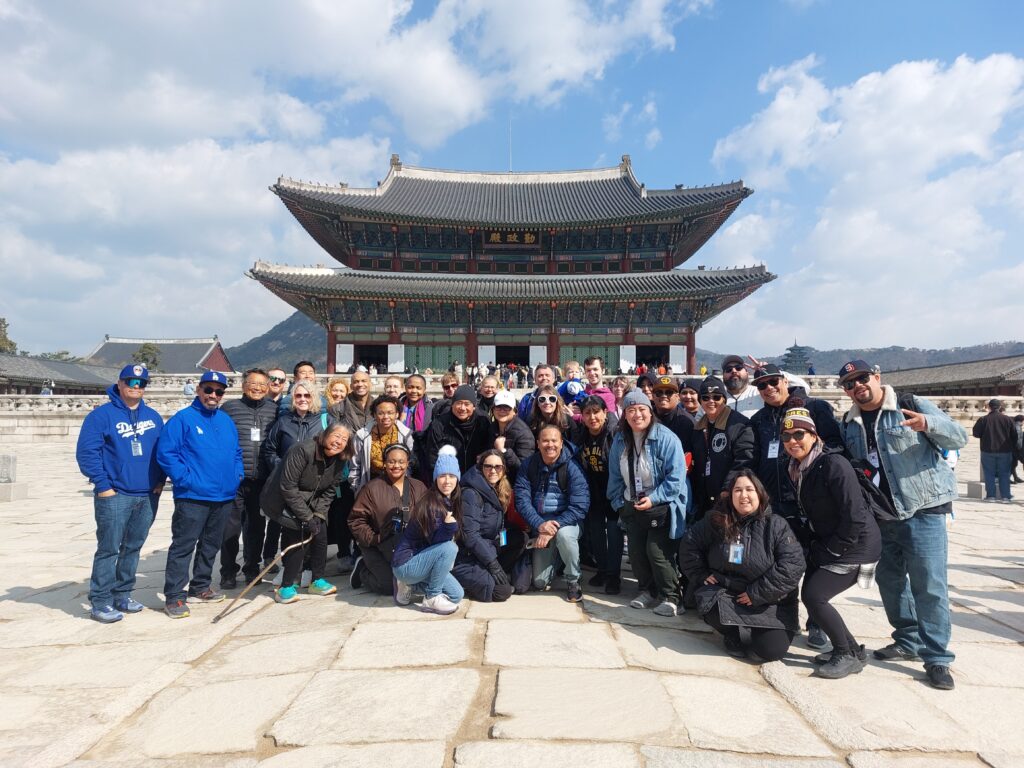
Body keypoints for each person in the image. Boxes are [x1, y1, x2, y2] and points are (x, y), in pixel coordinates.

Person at [837, 359, 967, 690]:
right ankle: (908, 639)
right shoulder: (849, 424)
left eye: (862, 378)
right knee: (889, 581)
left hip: (923, 509)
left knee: (930, 584)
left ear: (877, 376)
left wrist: (928, 424)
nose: (858, 386)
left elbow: (959, 437)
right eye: (850, 384)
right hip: (882, 516)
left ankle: (937, 657)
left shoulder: (909, 405)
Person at [781, 402, 881, 679]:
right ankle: (853, 651)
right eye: (786, 436)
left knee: (815, 596)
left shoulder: (833, 464)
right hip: (829, 541)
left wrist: (832, 549)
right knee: (813, 595)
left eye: (799, 434)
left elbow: (855, 515)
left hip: (857, 544)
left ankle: (844, 654)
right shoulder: (797, 467)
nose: (792, 441)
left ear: (814, 436)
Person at [748, 363, 841, 648]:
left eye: (773, 382)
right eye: (761, 385)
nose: (768, 388)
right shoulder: (759, 420)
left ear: (785, 381)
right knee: (779, 563)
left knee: (814, 563)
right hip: (773, 503)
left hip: (809, 501)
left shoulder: (815, 408)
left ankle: (816, 623)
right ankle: (785, 616)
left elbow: (836, 446)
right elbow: (754, 459)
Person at [679, 470, 805, 661]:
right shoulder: (716, 520)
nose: (743, 495)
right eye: (737, 490)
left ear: (759, 494)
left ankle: (758, 631)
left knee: (771, 651)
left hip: (769, 600)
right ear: (730, 495)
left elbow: (793, 565)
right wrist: (700, 573)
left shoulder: (776, 525)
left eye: (749, 489)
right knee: (708, 603)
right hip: (728, 593)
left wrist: (756, 593)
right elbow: (690, 544)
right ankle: (731, 634)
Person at [76, 363, 165, 623]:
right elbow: (87, 453)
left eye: (141, 383)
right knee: (108, 549)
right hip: (115, 494)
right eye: (130, 382)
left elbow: (163, 451)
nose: (135, 387)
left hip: (147, 494)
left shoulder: (153, 417)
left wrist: (160, 480)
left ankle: (123, 594)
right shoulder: (101, 416)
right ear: (120, 383)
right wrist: (103, 486)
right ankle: (100, 600)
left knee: (133, 547)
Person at [157, 371, 243, 618]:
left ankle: (200, 586)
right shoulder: (183, 419)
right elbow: (166, 454)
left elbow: (236, 452)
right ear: (198, 390)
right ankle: (174, 595)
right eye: (208, 390)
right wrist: (186, 479)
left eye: (219, 391)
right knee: (183, 545)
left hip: (223, 495)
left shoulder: (225, 421)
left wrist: (236, 475)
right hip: (193, 496)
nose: (213, 395)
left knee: (211, 544)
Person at [607, 390, 687, 615]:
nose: (637, 415)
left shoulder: (666, 438)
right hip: (631, 503)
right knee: (636, 551)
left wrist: (653, 499)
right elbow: (614, 476)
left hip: (661, 504)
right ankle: (647, 590)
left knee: (656, 551)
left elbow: (676, 478)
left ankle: (672, 596)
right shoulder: (620, 440)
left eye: (642, 409)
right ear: (624, 415)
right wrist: (619, 503)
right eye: (631, 410)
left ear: (650, 412)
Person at [260, 424, 354, 602]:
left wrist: (318, 515)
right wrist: (307, 517)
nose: (339, 442)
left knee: (321, 533)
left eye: (344, 440)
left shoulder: (340, 459)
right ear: (325, 434)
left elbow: (330, 490)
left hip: (311, 502)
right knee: (300, 535)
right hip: (282, 500)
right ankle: (286, 586)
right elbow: (288, 487)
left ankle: (316, 580)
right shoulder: (303, 450)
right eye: (336, 436)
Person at [261, 379, 332, 571]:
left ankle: (310, 569)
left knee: (313, 526)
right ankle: (290, 569)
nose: (302, 399)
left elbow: (333, 449)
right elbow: (270, 449)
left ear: (314, 398)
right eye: (298, 395)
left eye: (307, 395)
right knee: (290, 528)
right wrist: (283, 468)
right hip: (288, 484)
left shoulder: (325, 421)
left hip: (313, 484)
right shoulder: (284, 421)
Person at [514, 425, 589, 601]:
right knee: (540, 582)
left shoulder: (572, 467)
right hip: (540, 523)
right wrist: (540, 524)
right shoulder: (529, 465)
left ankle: (573, 579)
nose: (550, 445)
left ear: (561, 443)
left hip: (567, 523)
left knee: (564, 537)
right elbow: (522, 500)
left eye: (554, 440)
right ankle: (561, 559)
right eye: (545, 441)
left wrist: (552, 528)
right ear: (538, 443)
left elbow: (580, 506)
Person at [219, 368, 279, 589]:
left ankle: (252, 568)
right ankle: (228, 571)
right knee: (230, 528)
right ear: (244, 385)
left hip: (261, 479)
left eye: (262, 384)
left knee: (256, 527)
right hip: (234, 479)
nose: (258, 388)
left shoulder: (274, 410)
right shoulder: (229, 408)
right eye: (253, 384)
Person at [348, 443, 429, 594]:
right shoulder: (371, 488)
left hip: (408, 546)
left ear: (408, 463)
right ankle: (362, 569)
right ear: (384, 463)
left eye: (401, 462)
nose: (396, 466)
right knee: (389, 586)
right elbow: (356, 520)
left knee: (416, 579)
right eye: (391, 461)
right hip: (378, 546)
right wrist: (373, 538)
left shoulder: (418, 487)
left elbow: (428, 515)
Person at [392, 452, 466, 614]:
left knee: (456, 595)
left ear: (457, 478)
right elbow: (437, 543)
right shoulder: (431, 504)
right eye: (442, 476)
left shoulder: (450, 501)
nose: (447, 481)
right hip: (406, 563)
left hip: (423, 561)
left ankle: (409, 585)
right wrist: (449, 527)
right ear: (435, 479)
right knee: (450, 548)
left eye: (452, 476)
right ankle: (432, 597)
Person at [453, 450, 526, 602]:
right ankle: (465, 579)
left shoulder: (498, 488)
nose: (493, 471)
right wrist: (493, 564)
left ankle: (491, 573)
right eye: (488, 466)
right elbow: (470, 536)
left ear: (503, 469)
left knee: (520, 538)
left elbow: (496, 524)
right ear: (481, 468)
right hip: (468, 555)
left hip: (489, 545)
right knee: (502, 592)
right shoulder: (471, 494)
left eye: (498, 467)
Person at [572, 396, 623, 594]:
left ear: (605, 412)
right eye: (587, 413)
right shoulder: (581, 435)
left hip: (614, 490)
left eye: (596, 412)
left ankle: (614, 575)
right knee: (596, 532)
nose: (592, 417)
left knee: (614, 532)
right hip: (593, 491)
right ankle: (602, 569)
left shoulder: (615, 433)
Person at [691, 377, 755, 519]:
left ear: (724, 400)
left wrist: (727, 488)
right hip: (705, 501)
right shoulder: (697, 428)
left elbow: (745, 461)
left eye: (716, 397)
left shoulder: (740, 425)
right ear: (700, 401)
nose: (711, 401)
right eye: (706, 397)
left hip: (730, 498)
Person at [350, 395, 415, 493]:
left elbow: (411, 462)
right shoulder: (362, 436)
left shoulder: (406, 435)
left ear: (397, 414)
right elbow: (355, 464)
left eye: (390, 413)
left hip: (398, 484)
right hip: (370, 486)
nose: (386, 417)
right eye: (381, 413)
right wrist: (357, 488)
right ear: (374, 415)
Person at [424, 385, 491, 474]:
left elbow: (489, 449)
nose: (462, 408)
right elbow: (432, 456)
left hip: (476, 474)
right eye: (459, 403)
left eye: (467, 404)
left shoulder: (483, 421)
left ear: (474, 406)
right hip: (449, 475)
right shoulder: (440, 423)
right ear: (452, 405)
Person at [973, 398, 1017, 502]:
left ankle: (991, 496)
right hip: (1005, 451)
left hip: (987, 450)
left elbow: (976, 433)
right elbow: (1014, 435)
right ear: (1000, 407)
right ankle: (1005, 496)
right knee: (1004, 473)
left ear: (989, 407)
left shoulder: (983, 419)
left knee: (989, 473)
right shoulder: (1008, 419)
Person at [489, 389, 534, 481]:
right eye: (498, 407)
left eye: (507, 407)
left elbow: (523, 468)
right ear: (493, 409)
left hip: (514, 482)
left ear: (514, 411)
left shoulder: (524, 433)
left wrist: (503, 451)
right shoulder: (491, 427)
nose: (502, 410)